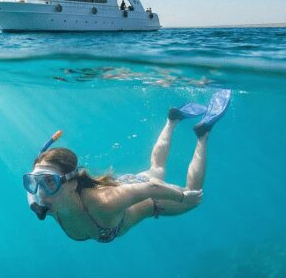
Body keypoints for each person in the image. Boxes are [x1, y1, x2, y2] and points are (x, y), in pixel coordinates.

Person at [23, 90, 231, 243]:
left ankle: (203, 134)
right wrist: (39, 177)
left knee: (191, 199)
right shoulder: (44, 204)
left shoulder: (105, 203)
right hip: (124, 185)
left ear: (71, 183)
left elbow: (151, 189)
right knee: (156, 168)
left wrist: (184, 197)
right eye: (34, 183)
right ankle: (172, 120)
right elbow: (33, 194)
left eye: (49, 182)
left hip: (149, 197)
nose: (41, 193)